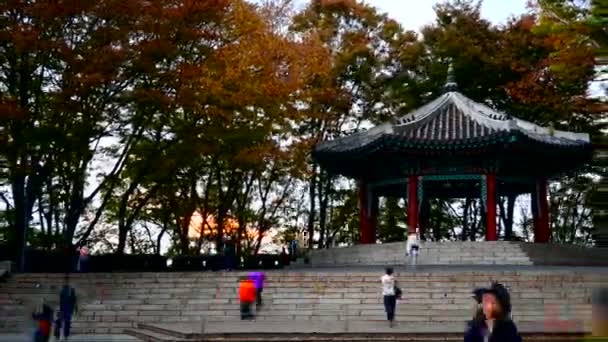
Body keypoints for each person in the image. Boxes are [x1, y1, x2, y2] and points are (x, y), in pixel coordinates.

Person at [55, 275, 77, 341]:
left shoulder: (71, 290)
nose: (65, 282)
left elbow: (74, 299)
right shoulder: (61, 289)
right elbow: (59, 299)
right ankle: (57, 335)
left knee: (67, 322)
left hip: (68, 309)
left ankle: (65, 336)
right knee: (58, 322)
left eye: (67, 281)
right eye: (65, 281)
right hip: (61, 308)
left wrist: (73, 308)